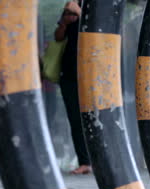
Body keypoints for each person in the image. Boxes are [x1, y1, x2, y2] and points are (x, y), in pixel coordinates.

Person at [54, 1, 92, 174]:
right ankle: (84, 161)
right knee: (75, 118)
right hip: (69, 73)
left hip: (91, 72)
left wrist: (80, 12)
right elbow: (59, 37)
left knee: (93, 116)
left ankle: (98, 159)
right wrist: (65, 22)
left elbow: (94, 32)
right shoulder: (70, 8)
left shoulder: (95, 8)